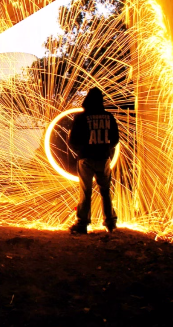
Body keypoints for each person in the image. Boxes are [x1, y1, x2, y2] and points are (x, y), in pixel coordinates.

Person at [67, 87, 119, 234]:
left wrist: (81, 151)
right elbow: (115, 139)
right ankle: (110, 223)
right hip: (103, 159)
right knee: (105, 191)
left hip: (86, 159)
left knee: (85, 191)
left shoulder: (80, 118)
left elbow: (72, 140)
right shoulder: (109, 117)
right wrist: (106, 149)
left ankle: (82, 224)